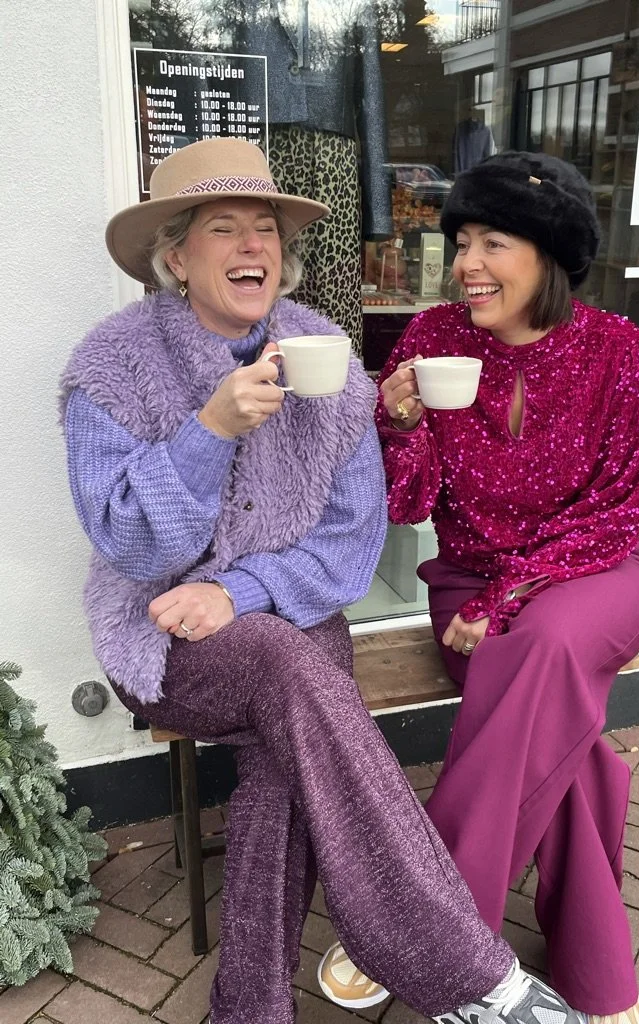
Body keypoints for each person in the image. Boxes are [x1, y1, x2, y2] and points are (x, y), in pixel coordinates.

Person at [61, 139, 586, 1024]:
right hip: (161, 636)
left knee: (285, 735)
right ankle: (472, 979)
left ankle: (250, 1009)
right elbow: (130, 546)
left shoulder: (323, 355)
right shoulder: (111, 367)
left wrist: (240, 591)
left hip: (294, 625)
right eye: (222, 227)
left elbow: (351, 542)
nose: (251, 246)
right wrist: (207, 432)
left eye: (264, 227)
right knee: (289, 672)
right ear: (175, 257)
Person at [320, 152, 639, 1024]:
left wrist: (503, 602)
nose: (466, 264)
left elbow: (615, 515)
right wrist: (398, 425)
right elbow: (409, 504)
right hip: (467, 580)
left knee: (542, 643)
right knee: (570, 745)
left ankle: (415, 921)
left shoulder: (620, 352)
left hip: (595, 573)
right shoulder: (433, 336)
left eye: (493, 243)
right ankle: (598, 969)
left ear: (550, 255)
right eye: (462, 241)